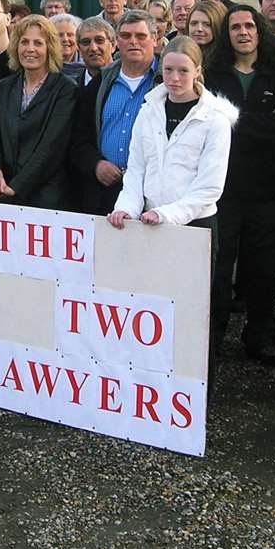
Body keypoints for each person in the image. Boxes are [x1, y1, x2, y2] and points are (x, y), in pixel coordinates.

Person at [107, 39, 235, 357]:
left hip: (195, 227)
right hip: (149, 225)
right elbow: (136, 170)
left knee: (192, 314)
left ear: (198, 72)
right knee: (152, 311)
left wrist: (168, 214)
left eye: (183, 71)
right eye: (168, 70)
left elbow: (210, 187)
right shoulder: (149, 110)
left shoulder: (214, 119)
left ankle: (194, 391)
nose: (174, 79)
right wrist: (126, 207)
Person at [206, 5, 275, 366]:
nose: (243, 32)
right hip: (221, 192)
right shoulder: (213, 76)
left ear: (259, 31)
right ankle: (211, 337)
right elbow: (207, 124)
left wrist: (232, 120)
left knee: (262, 271)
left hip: (267, 190)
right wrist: (254, 123)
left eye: (249, 25)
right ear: (226, 34)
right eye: (235, 27)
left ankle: (258, 337)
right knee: (218, 268)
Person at [0, 15, 78, 209]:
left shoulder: (66, 89)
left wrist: (17, 186)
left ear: (49, 48)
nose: (30, 49)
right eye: (24, 42)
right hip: (4, 191)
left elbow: (52, 146)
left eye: (38, 43)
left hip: (47, 198)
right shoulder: (5, 86)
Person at [71, 10, 158, 216]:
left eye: (141, 36)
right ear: (117, 41)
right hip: (104, 192)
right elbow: (79, 137)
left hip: (151, 194)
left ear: (154, 39)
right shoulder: (100, 84)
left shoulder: (165, 82)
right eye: (126, 36)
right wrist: (96, 164)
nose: (133, 42)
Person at [187, 0, 227, 70]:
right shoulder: (182, 55)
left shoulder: (224, 63)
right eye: (194, 23)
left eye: (207, 24)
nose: (199, 29)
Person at [76, 16, 116, 85]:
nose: (93, 48)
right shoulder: (72, 88)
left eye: (99, 40)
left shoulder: (124, 82)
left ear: (113, 45)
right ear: (79, 49)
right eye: (86, 42)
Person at [52, 13, 84, 83]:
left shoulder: (88, 65)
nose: (65, 39)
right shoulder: (44, 67)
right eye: (60, 35)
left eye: (70, 35)